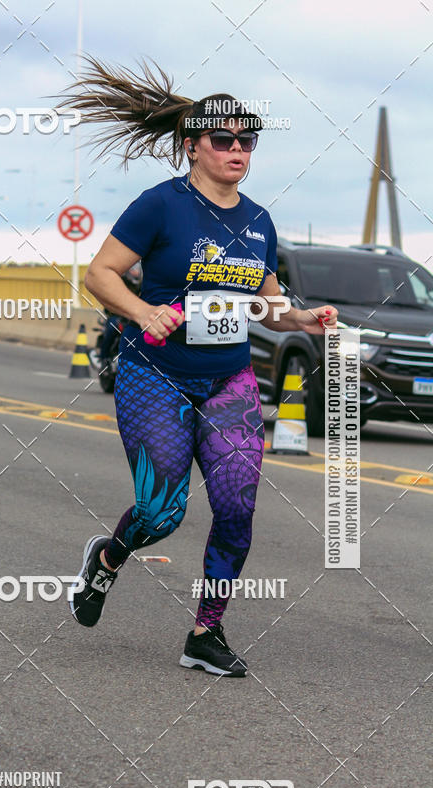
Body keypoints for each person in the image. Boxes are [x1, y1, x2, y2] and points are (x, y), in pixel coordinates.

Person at [61, 58, 338, 677]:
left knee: (237, 506)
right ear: (192, 146)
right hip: (153, 374)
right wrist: (142, 311)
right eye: (224, 139)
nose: (238, 150)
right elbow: (99, 274)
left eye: (248, 140)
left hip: (229, 380)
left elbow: (266, 305)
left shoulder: (258, 220)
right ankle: (107, 558)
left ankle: (204, 634)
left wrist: (301, 318)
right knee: (161, 514)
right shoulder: (160, 206)